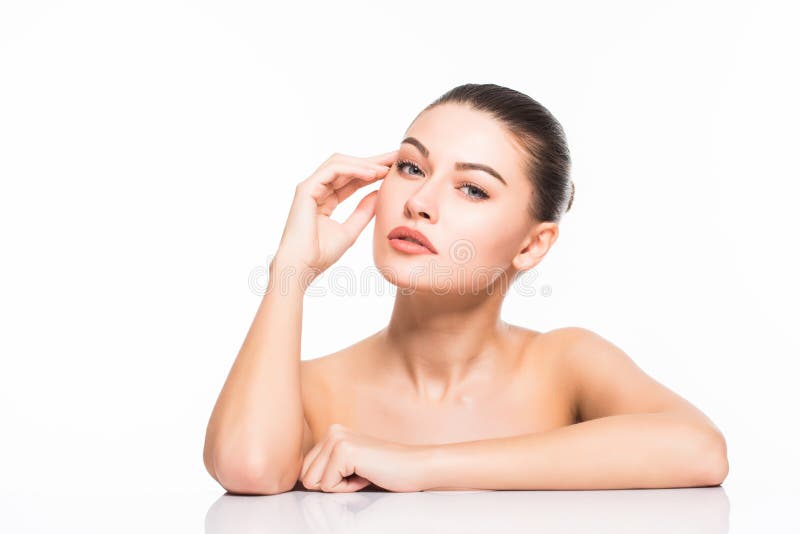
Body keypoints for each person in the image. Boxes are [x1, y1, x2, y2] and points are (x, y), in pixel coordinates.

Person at [203, 83, 728, 495]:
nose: (420, 202)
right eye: (411, 167)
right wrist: (291, 269)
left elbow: (701, 450)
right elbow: (247, 469)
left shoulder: (566, 363)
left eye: (472, 188)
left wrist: (418, 465)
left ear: (533, 244)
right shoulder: (311, 390)